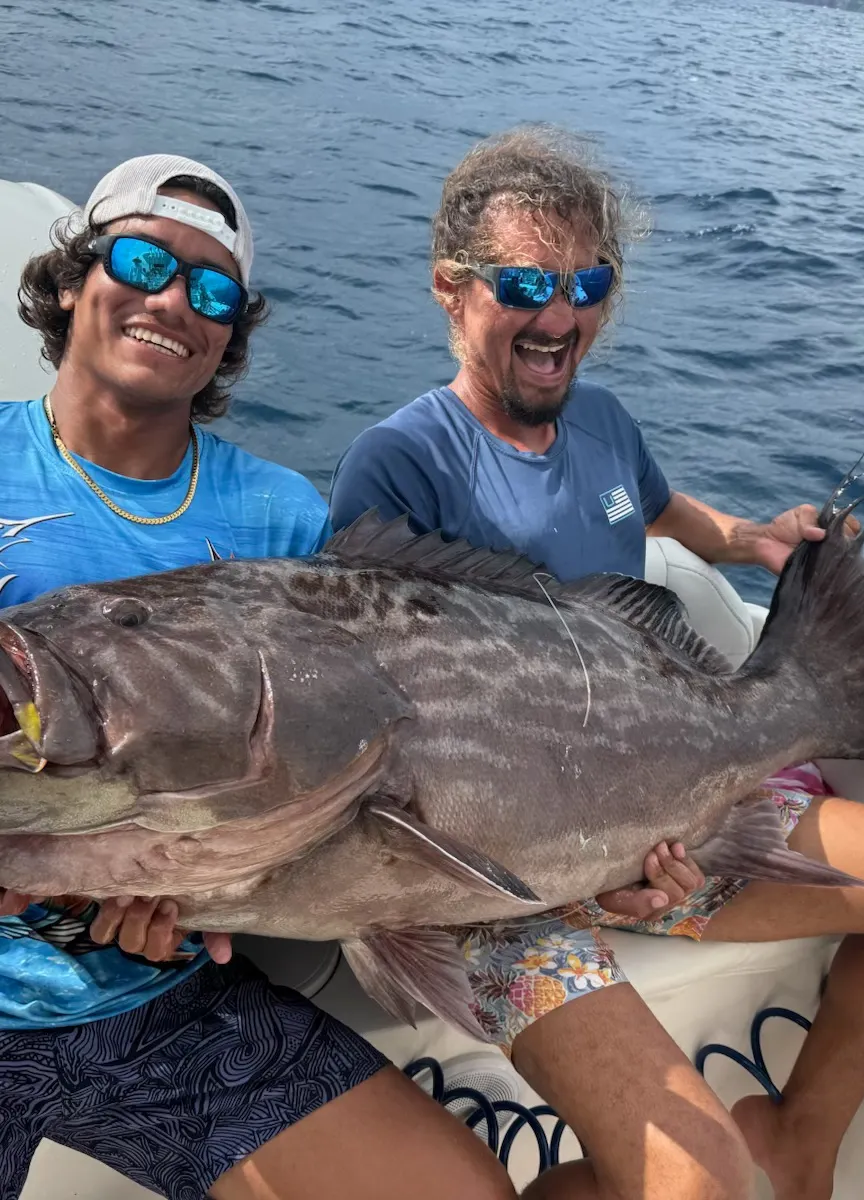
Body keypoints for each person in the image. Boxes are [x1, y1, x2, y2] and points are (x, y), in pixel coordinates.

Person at [329, 127, 864, 1200]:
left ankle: (802, 1143)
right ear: (451, 291)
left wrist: (750, 540)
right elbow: (374, 713)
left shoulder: (601, 421)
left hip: (676, 815)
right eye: (523, 282)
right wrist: (589, 868)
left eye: (588, 281)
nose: (560, 317)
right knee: (692, 1189)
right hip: (499, 889)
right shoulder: (402, 460)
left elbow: (662, 514)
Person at [0, 155, 515, 1200]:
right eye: (142, 260)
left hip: (155, 1003)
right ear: (69, 281)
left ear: (231, 332)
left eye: (214, 289)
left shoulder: (282, 517)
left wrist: (207, 887)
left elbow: (329, 771)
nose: (173, 301)